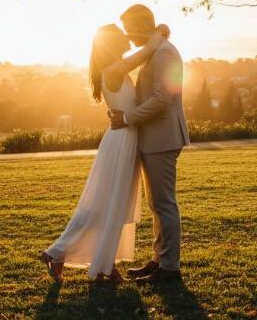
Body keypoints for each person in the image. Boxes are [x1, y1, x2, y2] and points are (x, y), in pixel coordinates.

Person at [40, 21, 170, 282]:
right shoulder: (113, 69)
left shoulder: (114, 69)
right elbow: (145, 53)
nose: (127, 37)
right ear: (111, 43)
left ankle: (102, 263)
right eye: (120, 35)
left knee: (113, 205)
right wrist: (160, 33)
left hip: (125, 139)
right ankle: (63, 254)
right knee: (107, 204)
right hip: (120, 142)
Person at [109, 4, 189, 284]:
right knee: (157, 204)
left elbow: (161, 99)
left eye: (129, 31)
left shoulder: (164, 53)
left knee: (164, 204)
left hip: (163, 138)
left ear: (141, 26)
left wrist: (126, 118)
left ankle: (170, 268)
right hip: (155, 138)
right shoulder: (155, 50)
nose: (128, 38)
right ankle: (159, 260)